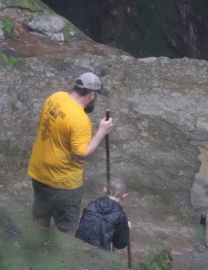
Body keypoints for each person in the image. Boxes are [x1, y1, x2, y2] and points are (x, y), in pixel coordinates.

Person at [27, 71, 114, 234]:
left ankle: (36, 247)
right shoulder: (80, 119)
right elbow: (81, 154)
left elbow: (42, 124)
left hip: (39, 172)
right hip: (63, 183)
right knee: (66, 229)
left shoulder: (55, 98)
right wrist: (102, 131)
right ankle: (60, 257)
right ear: (92, 95)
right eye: (97, 96)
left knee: (40, 216)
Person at [75, 177, 131, 250]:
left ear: (105, 190)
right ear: (124, 196)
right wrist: (127, 230)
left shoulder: (91, 205)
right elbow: (120, 245)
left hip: (78, 245)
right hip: (99, 252)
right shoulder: (120, 215)